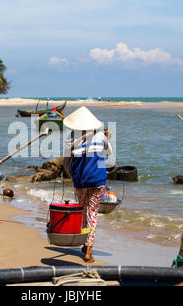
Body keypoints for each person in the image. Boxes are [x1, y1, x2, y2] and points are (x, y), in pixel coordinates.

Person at [63, 106, 115, 263]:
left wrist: (72, 176)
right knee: (92, 213)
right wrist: (107, 138)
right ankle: (88, 249)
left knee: (84, 210)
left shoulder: (71, 137)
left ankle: (85, 243)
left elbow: (67, 163)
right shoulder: (99, 135)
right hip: (98, 180)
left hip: (80, 181)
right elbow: (109, 154)